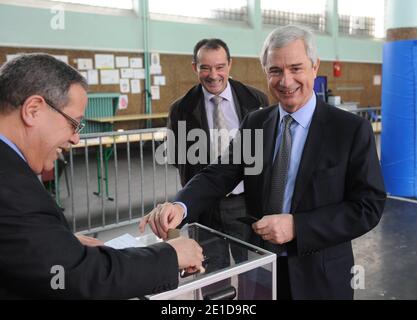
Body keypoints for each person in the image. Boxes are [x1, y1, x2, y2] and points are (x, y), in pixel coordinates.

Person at [140, 25, 386, 300]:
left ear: (315, 67)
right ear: (265, 72)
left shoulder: (349, 130)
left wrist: (297, 226)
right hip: (262, 269)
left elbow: (368, 206)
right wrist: (180, 205)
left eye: (296, 68)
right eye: (275, 71)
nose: (286, 80)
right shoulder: (256, 123)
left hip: (320, 276)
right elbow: (219, 174)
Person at [0, 53, 203, 299]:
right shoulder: (12, 187)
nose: (75, 138)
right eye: (73, 123)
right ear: (33, 110)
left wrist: (55, 241)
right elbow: (75, 278)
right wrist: (171, 255)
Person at [168, 38, 268, 237]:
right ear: (194, 67)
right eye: (205, 68)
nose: (213, 75)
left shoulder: (256, 100)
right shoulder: (180, 109)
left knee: (252, 263)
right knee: (209, 264)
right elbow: (176, 158)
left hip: (245, 202)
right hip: (204, 204)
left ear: (230, 64)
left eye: (220, 67)